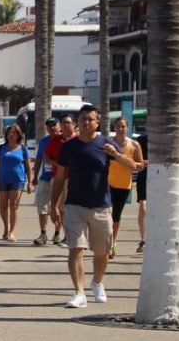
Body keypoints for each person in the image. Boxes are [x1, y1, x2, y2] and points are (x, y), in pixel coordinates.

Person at [51, 105, 136, 308]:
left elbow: (132, 166)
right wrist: (54, 205)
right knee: (75, 248)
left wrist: (115, 153)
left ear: (97, 122)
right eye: (83, 119)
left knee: (102, 251)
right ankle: (79, 292)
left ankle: (97, 282)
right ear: (78, 122)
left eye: (90, 119)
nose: (86, 122)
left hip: (101, 206)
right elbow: (60, 177)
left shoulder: (107, 144)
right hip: (74, 204)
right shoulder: (69, 146)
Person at [107, 117, 145, 259]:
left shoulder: (134, 145)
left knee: (116, 217)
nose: (120, 129)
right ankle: (107, 243)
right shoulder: (108, 143)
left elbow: (140, 165)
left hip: (123, 185)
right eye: (118, 126)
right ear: (114, 128)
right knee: (106, 214)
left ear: (127, 128)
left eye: (123, 126)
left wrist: (130, 164)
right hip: (107, 184)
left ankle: (113, 242)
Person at [0, 124, 32, 242]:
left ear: (18, 135)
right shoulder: (1, 148)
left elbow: (28, 167)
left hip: (18, 180)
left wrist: (30, 182)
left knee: (13, 205)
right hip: (3, 179)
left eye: (14, 132)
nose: (11, 135)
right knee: (2, 205)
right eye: (9, 132)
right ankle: (6, 227)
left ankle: (12, 232)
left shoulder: (23, 149)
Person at [43, 113, 79, 246]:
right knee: (59, 209)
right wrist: (57, 163)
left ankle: (70, 236)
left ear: (74, 124)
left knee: (70, 209)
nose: (65, 125)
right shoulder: (56, 140)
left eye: (68, 122)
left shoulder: (79, 139)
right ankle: (66, 236)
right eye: (63, 122)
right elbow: (46, 157)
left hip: (74, 179)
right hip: (58, 179)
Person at [32, 118, 61, 246]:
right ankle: (43, 233)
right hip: (45, 178)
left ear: (59, 126)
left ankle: (57, 234)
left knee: (60, 208)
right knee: (42, 207)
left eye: (54, 125)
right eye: (49, 126)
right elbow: (38, 159)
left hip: (59, 178)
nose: (52, 128)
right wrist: (34, 177)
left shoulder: (64, 140)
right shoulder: (44, 141)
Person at [135, 132, 149, 253]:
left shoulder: (166, 138)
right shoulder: (141, 140)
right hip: (143, 177)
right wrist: (143, 162)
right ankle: (143, 239)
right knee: (143, 206)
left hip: (162, 177)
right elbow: (135, 159)